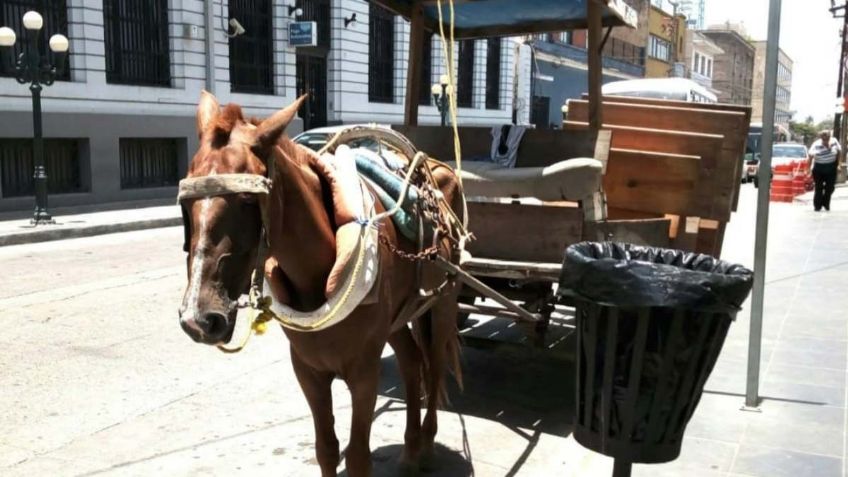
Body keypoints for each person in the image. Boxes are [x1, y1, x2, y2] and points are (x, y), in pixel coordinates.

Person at [807, 130, 841, 211]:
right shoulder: (816, 144)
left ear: (830, 136)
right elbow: (810, 156)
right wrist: (808, 169)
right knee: (819, 187)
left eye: (827, 138)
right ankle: (817, 206)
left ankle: (825, 202)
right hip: (819, 168)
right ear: (821, 138)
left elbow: (839, 152)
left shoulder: (834, 141)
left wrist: (838, 165)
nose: (826, 140)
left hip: (831, 167)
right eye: (824, 138)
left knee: (830, 187)